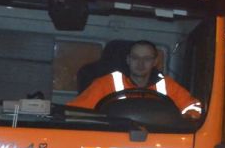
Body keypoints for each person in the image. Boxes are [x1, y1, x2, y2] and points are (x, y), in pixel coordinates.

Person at [69, 40, 201, 117]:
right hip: (111, 141)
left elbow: (194, 107)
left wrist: (187, 118)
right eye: (135, 58)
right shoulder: (106, 83)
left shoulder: (166, 85)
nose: (140, 63)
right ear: (128, 60)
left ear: (155, 62)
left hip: (156, 143)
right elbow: (76, 111)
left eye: (147, 59)